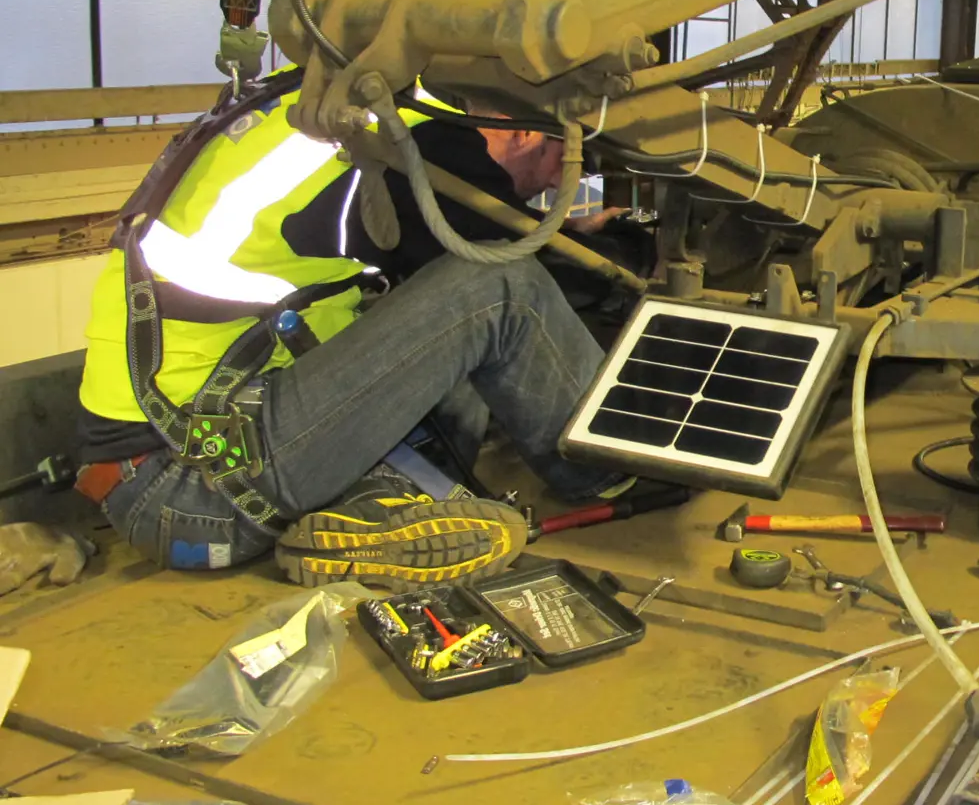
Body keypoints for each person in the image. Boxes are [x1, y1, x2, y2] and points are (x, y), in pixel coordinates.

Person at [71, 70, 640, 591]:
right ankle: (603, 470)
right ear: (522, 134)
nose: (549, 187)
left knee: (452, 335)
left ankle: (372, 514)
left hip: (181, 458)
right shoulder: (403, 149)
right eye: (566, 166)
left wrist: (572, 229)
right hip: (192, 485)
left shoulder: (331, 110)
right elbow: (503, 254)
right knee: (500, 284)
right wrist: (619, 258)